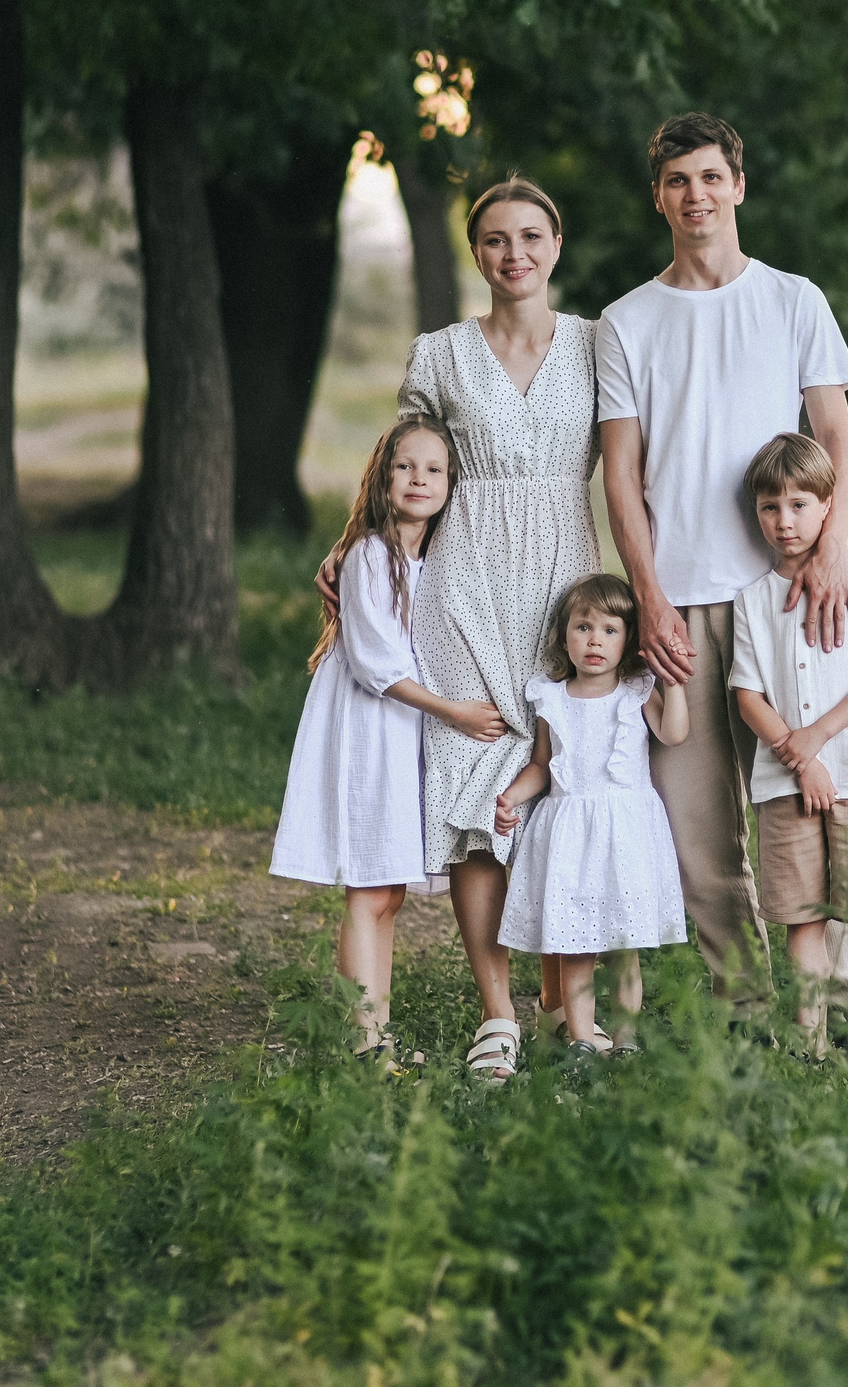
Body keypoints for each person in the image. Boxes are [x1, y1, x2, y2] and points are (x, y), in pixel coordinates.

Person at [596, 112, 848, 1000]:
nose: (695, 196)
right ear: (659, 198)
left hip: (785, 599)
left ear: (738, 187)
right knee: (698, 832)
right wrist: (650, 595)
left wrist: (832, 552)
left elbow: (836, 438)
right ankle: (747, 1015)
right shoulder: (626, 321)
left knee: (814, 809)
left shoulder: (795, 301)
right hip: (679, 607)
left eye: (711, 178)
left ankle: (839, 1006)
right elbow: (623, 476)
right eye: (678, 182)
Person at [353, 175, 609, 1081]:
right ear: (477, 253)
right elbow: (407, 472)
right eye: (497, 239)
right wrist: (360, 551)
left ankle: (562, 1006)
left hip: (563, 580)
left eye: (532, 235)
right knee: (475, 795)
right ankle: (495, 1011)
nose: (516, 254)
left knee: (560, 783)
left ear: (556, 242)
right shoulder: (440, 353)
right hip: (462, 589)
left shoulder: (594, 343)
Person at [271, 415, 502, 1070]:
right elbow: (378, 664)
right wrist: (454, 712)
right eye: (406, 467)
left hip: (402, 732)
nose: (419, 480)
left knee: (387, 892)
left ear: (452, 483)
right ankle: (364, 1042)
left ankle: (373, 1033)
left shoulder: (429, 559)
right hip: (370, 731)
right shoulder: (370, 555)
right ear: (382, 477)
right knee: (371, 890)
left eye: (434, 470)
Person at [730, 433, 848, 1071]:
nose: (785, 522)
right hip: (786, 784)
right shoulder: (753, 600)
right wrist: (799, 755)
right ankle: (808, 1046)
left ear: (829, 505)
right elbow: (749, 693)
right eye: (769, 508)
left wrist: (819, 738)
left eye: (800, 505)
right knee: (802, 921)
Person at [494, 575, 691, 1052]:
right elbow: (543, 766)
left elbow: (674, 733)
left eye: (609, 630)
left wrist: (674, 682)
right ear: (565, 636)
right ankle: (582, 1040)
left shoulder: (637, 692)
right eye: (583, 628)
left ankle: (625, 1039)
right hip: (569, 834)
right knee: (573, 944)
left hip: (624, 833)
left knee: (624, 948)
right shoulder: (551, 698)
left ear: (629, 641)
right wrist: (512, 797)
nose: (595, 640)